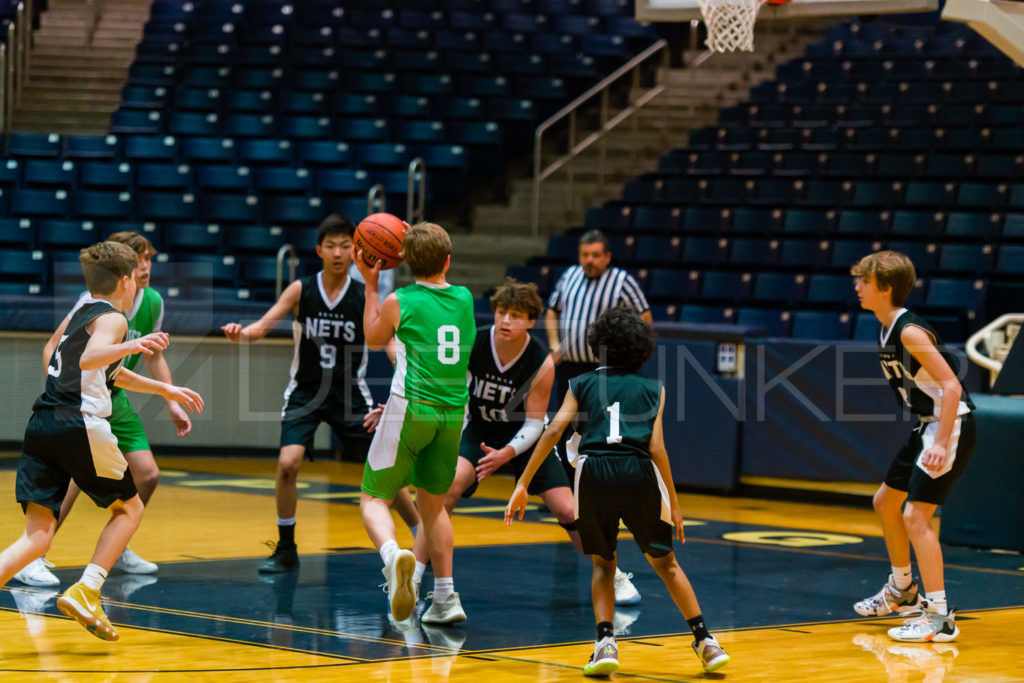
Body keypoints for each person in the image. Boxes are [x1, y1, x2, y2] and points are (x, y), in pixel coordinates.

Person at [506, 305, 731, 677]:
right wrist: (674, 504)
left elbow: (551, 432)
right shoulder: (653, 389)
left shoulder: (581, 384)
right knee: (667, 564)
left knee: (603, 564)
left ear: (599, 345)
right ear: (642, 348)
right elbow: (657, 449)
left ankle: (606, 642)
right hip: (638, 471)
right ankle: (705, 640)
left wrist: (523, 484)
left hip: (593, 471)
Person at [0, 241, 203, 641]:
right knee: (129, 508)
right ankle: (88, 589)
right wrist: (131, 344)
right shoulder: (114, 319)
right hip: (80, 424)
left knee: (37, 537)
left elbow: (110, 371)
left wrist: (166, 389)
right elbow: (92, 359)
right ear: (126, 281)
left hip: (43, 424)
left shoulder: (80, 312)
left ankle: (84, 590)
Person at [416, 278, 641, 606]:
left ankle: (614, 574)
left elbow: (535, 424)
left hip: (526, 441)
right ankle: (411, 576)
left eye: (516, 314)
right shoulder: (472, 343)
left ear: (531, 321)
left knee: (567, 508)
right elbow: (454, 397)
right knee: (444, 490)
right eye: (502, 312)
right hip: (477, 432)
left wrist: (507, 453)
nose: (507, 320)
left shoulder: (542, 361)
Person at [221, 214, 419, 573]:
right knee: (287, 465)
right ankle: (286, 548)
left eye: (346, 245)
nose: (339, 253)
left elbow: (388, 342)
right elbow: (264, 326)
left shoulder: (364, 295)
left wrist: (406, 371)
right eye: (332, 246)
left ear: (357, 250)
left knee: (386, 472)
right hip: (306, 393)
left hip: (350, 395)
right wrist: (242, 333)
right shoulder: (301, 289)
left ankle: (422, 535)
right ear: (319, 250)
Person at [851, 251, 974, 643]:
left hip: (949, 425)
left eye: (864, 282)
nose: (857, 287)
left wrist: (941, 441)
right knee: (885, 502)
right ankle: (904, 591)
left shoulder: (909, 331)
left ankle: (939, 617)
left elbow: (953, 386)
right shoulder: (885, 326)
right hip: (927, 424)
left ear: (885, 288)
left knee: (915, 517)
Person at [356, 222, 476, 626]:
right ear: (447, 260)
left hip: (411, 408)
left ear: (404, 262)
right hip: (452, 414)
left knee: (373, 498)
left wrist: (370, 285)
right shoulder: (464, 299)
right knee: (434, 507)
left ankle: (393, 560)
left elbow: (375, 338)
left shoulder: (399, 300)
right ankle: (445, 597)